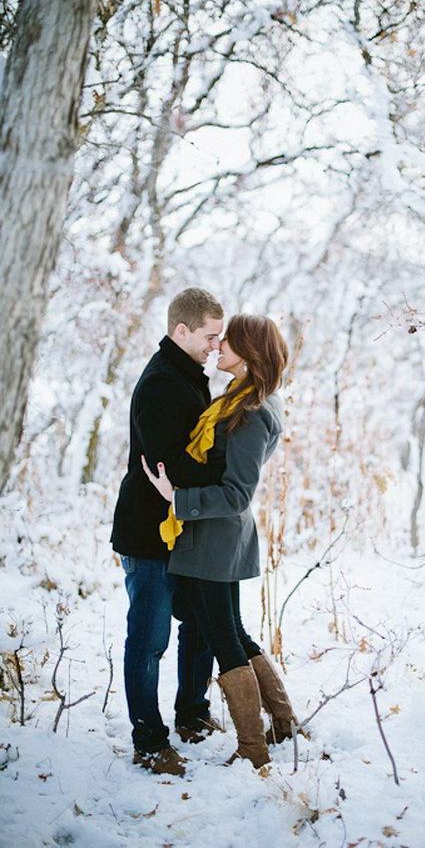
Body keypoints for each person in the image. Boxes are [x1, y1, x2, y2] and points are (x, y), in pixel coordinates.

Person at [141, 313, 300, 769]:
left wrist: (179, 498)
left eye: (228, 341)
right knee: (233, 631)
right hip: (218, 538)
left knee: (223, 639)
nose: (219, 346)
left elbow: (236, 493)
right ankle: (284, 723)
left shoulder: (251, 413)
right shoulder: (242, 399)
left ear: (249, 355)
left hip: (215, 538)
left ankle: (253, 749)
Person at [111, 287, 225, 776]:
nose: (215, 346)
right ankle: (150, 742)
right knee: (150, 638)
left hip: (180, 528)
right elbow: (168, 465)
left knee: (199, 624)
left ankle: (192, 715)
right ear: (181, 330)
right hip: (147, 533)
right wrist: (225, 474)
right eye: (209, 336)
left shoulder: (189, 375)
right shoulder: (161, 383)